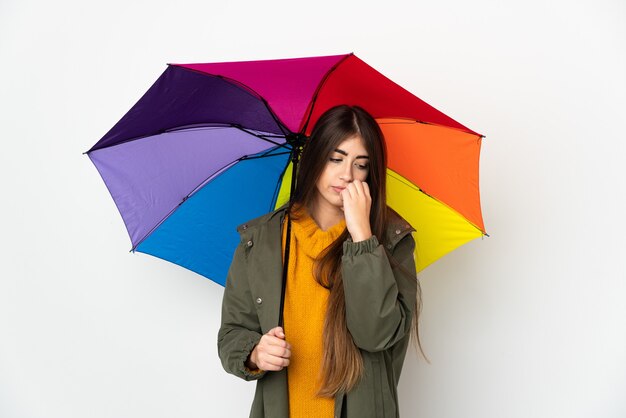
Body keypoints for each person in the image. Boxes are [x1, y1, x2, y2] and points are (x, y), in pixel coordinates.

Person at [218, 104, 425, 418]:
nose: (346, 175)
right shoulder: (260, 240)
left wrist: (362, 237)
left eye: (361, 164)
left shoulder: (391, 241)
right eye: (336, 158)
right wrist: (256, 353)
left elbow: (376, 335)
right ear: (315, 157)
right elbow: (232, 333)